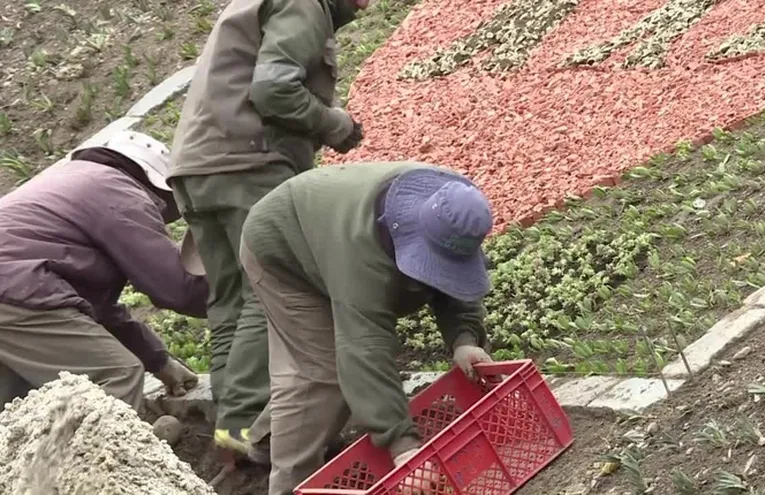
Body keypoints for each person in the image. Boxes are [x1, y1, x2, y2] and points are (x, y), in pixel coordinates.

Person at [166, 0, 368, 460]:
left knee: (230, 295)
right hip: (248, 162)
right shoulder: (303, 3)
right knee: (272, 284)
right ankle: (246, 422)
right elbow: (274, 88)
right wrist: (334, 123)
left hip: (198, 168)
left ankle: (230, 427)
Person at [239, 162, 495, 494]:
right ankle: (288, 484)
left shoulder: (456, 207)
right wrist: (404, 447)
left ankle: (265, 443)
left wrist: (464, 338)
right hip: (282, 248)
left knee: (331, 371)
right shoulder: (364, 252)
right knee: (322, 373)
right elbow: (364, 348)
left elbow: (452, 274)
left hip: (324, 229)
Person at [0, 131, 209, 413]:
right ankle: (108, 458)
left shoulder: (75, 185)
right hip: (15, 287)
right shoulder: (120, 193)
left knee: (17, 402)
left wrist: (159, 360)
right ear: (156, 186)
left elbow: (95, 312)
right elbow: (176, 288)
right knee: (117, 376)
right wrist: (236, 296)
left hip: (15, 291)